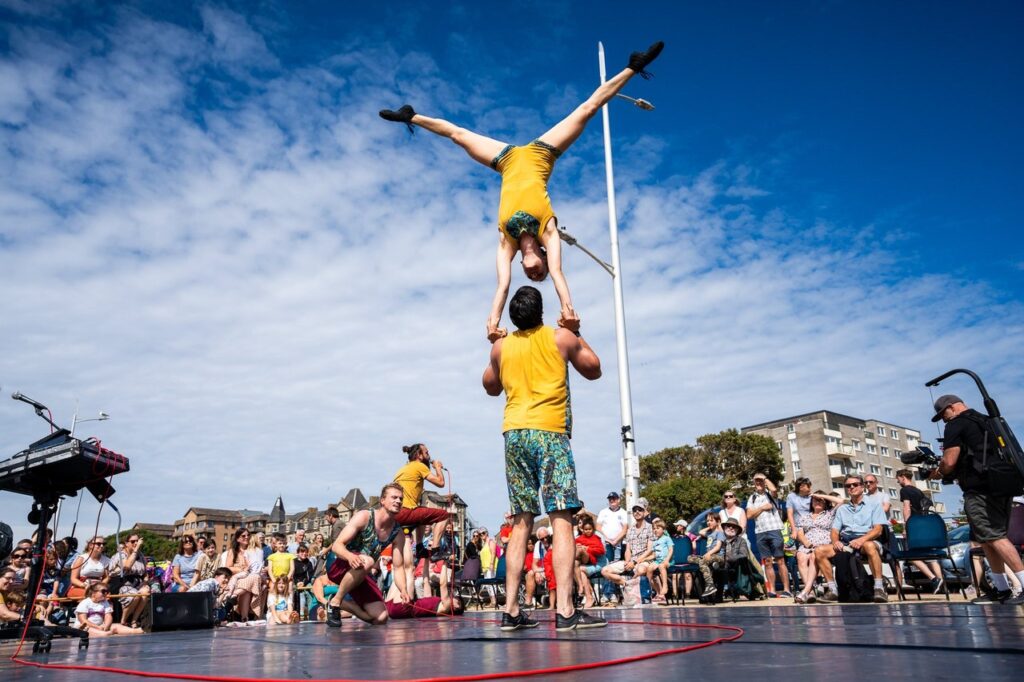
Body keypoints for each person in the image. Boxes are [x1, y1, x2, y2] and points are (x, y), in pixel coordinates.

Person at [380, 42, 664, 343]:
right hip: (542, 154)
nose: (535, 276)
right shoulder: (549, 231)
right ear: (542, 257)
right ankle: (634, 66)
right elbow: (558, 274)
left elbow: (502, 286)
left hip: (506, 160)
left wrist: (492, 323)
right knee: (588, 108)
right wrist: (569, 310)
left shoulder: (507, 243)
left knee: (459, 137)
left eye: (532, 277)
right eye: (538, 274)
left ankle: (410, 116)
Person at [482, 285, 605, 631]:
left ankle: (510, 610)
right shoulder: (561, 337)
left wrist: (495, 346)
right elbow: (594, 369)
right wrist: (576, 328)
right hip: (549, 433)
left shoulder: (501, 347)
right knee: (561, 517)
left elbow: (490, 386)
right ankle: (565, 610)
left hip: (514, 434)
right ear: (540, 312)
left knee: (521, 521)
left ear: (512, 317)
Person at [928, 395, 1024, 604]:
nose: (944, 420)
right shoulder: (988, 421)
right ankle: (1002, 589)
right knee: (986, 538)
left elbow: (950, 460)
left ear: (951, 407)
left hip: (979, 488)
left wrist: (940, 471)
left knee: (994, 536)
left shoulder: (956, 424)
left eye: (943, 414)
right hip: (1003, 484)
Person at [324, 483, 411, 627]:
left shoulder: (398, 533)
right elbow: (336, 546)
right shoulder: (365, 516)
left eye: (401, 499)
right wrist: (350, 557)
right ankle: (335, 602)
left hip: (360, 571)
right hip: (339, 563)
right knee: (368, 561)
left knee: (381, 617)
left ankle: (345, 604)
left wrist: (403, 590)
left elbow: (399, 567)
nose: (398, 501)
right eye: (394, 497)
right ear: (382, 500)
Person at [813, 474, 888, 603]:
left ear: (862, 486)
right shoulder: (842, 509)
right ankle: (832, 590)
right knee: (819, 551)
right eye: (848, 486)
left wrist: (861, 540)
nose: (851, 487)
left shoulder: (874, 504)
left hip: (867, 539)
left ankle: (879, 588)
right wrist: (835, 541)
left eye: (855, 484)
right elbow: (834, 530)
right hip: (847, 542)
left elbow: (878, 530)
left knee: (869, 546)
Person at [393, 443, 450, 598]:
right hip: (406, 511)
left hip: (397, 513)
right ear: (419, 455)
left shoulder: (403, 469)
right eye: (426, 452)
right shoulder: (418, 466)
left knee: (422, 513)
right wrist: (437, 467)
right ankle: (436, 549)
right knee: (444, 515)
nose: (429, 454)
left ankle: (419, 546)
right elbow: (441, 483)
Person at [896, 469, 945, 593]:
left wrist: (906, 527)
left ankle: (934, 579)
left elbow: (906, 508)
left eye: (898, 478)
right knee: (930, 556)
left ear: (902, 477)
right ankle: (941, 582)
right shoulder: (919, 491)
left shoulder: (905, 490)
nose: (897, 481)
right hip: (925, 526)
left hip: (914, 527)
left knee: (911, 555)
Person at [747, 474, 792, 598]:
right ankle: (772, 590)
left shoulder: (769, 494)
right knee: (767, 561)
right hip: (760, 531)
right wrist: (762, 508)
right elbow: (749, 515)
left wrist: (765, 478)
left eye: (760, 481)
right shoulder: (752, 498)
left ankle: (786, 590)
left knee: (780, 559)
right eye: (756, 481)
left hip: (774, 529)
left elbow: (774, 490)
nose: (759, 483)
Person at [793, 492, 839, 604]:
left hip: (824, 545)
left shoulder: (830, 513)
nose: (817, 502)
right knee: (800, 556)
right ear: (811, 503)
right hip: (807, 545)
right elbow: (800, 533)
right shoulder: (804, 516)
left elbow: (841, 501)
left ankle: (806, 591)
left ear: (825, 502)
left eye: (820, 500)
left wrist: (822, 495)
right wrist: (807, 543)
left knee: (815, 555)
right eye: (815, 500)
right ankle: (811, 592)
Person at [601, 497, 655, 593]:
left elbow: (649, 550)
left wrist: (634, 562)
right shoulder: (630, 530)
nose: (637, 512)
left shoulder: (650, 528)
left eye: (640, 510)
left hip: (644, 560)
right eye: (634, 510)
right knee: (605, 570)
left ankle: (638, 591)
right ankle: (626, 583)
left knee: (641, 570)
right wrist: (627, 561)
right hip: (631, 560)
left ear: (644, 511)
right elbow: (628, 550)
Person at [221, 528, 266, 624]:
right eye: (243, 536)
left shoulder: (254, 551)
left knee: (256, 584)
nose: (247, 537)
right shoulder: (233, 551)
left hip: (250, 578)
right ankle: (248, 617)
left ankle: (243, 615)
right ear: (237, 539)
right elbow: (228, 568)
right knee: (254, 579)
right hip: (238, 578)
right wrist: (241, 569)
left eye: (248, 535)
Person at [74, 583, 143, 637]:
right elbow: (83, 620)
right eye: (103, 591)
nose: (106, 594)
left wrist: (106, 626)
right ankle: (107, 633)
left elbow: (108, 616)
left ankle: (135, 630)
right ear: (94, 593)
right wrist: (97, 627)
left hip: (100, 626)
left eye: (107, 591)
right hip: (85, 627)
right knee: (102, 634)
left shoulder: (105, 602)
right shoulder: (85, 603)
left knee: (117, 626)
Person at [689, 514, 725, 600]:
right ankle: (709, 565)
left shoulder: (720, 533)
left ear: (718, 521)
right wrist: (710, 527)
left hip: (718, 556)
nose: (709, 522)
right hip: (709, 556)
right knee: (690, 558)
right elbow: (701, 532)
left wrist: (709, 553)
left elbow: (718, 547)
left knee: (702, 561)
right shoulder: (710, 534)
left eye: (711, 520)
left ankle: (710, 585)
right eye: (707, 521)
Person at [574, 518, 607, 608]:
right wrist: (576, 546)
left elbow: (601, 551)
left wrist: (587, 548)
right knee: (576, 564)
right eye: (586, 529)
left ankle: (584, 591)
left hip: (598, 563)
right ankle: (586, 592)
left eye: (590, 529)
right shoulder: (579, 539)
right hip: (585, 561)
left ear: (593, 529)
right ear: (582, 530)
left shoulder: (596, 538)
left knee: (578, 566)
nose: (588, 531)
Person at [66, 536, 109, 601]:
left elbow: (107, 577)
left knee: (108, 597)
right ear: (90, 545)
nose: (102, 546)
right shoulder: (81, 558)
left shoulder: (106, 560)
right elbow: (73, 579)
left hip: (98, 587)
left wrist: (100, 586)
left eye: (104, 544)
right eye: (98, 544)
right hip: (81, 587)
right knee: (92, 596)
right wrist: (84, 585)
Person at [649, 520, 674, 604]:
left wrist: (667, 560)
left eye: (658, 528)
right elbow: (654, 555)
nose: (655, 530)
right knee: (649, 569)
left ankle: (665, 586)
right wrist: (643, 559)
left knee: (661, 566)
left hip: (667, 561)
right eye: (654, 528)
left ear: (663, 529)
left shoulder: (667, 538)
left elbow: (671, 550)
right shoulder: (655, 542)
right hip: (658, 561)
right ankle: (656, 590)